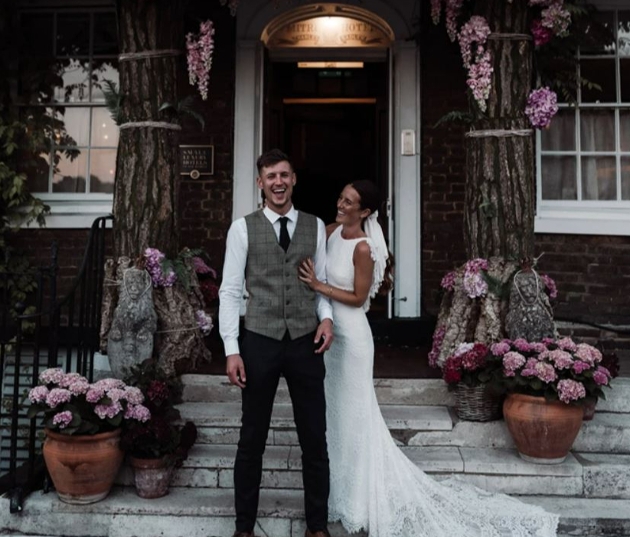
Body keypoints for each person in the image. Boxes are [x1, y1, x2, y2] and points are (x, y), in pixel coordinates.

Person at [298, 180, 559, 537]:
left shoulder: (362, 248)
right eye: (341, 197)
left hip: (354, 338)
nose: (341, 204)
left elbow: (359, 298)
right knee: (335, 414)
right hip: (329, 335)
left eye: (349, 202)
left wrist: (319, 286)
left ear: (366, 212)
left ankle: (360, 496)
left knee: (356, 415)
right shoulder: (328, 232)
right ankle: (336, 491)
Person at [219, 149, 334, 537]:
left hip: (305, 341)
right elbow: (230, 291)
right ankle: (243, 529)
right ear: (260, 183)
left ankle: (317, 527)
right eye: (271, 176)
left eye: (284, 174)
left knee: (314, 439)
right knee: (251, 439)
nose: (278, 182)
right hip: (260, 342)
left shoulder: (315, 227)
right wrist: (232, 349)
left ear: (294, 179)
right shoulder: (242, 228)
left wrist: (328, 320)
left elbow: (321, 285)